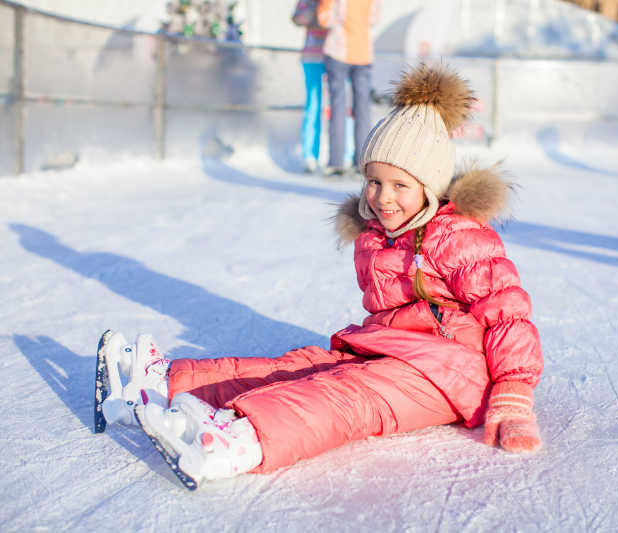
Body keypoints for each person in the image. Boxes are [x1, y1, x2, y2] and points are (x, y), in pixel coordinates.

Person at [94, 64, 544, 489]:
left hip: (452, 372)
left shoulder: (460, 237)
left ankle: (239, 438)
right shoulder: (376, 236)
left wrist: (514, 390)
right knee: (300, 366)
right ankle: (161, 383)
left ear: (430, 187)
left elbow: (508, 312)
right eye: (373, 181)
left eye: (400, 185)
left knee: (347, 396)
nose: (383, 198)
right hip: (391, 348)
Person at [316, 0, 380, 176]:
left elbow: (324, 19)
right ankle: (361, 162)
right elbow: (374, 18)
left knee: (337, 107)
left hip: (338, 50)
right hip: (363, 53)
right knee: (363, 109)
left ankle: (336, 162)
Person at [296, 0, 354, 174]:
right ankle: (310, 155)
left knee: (341, 105)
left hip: (338, 55)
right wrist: (318, 12)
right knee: (313, 103)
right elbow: (298, 17)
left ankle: (345, 153)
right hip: (312, 56)